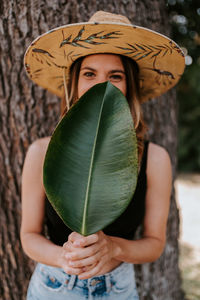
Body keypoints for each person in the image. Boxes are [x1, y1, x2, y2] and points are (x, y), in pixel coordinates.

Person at [21, 11, 185, 300]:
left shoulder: (155, 159)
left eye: (115, 76)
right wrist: (65, 258)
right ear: (74, 83)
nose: (102, 84)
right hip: (54, 287)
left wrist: (114, 248)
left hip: (118, 290)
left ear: (129, 85)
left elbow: (155, 243)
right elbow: (29, 236)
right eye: (89, 73)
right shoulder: (40, 152)